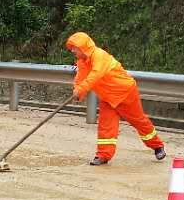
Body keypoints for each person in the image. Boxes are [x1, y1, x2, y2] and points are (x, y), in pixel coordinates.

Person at [65, 31, 166, 166]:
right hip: (107, 97)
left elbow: (96, 74)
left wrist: (81, 89)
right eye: (71, 48)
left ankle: (157, 146)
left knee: (139, 121)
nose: (72, 51)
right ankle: (103, 155)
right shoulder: (82, 62)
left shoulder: (99, 55)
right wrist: (78, 91)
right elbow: (81, 78)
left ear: (83, 47)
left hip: (124, 93)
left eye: (74, 48)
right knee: (106, 126)